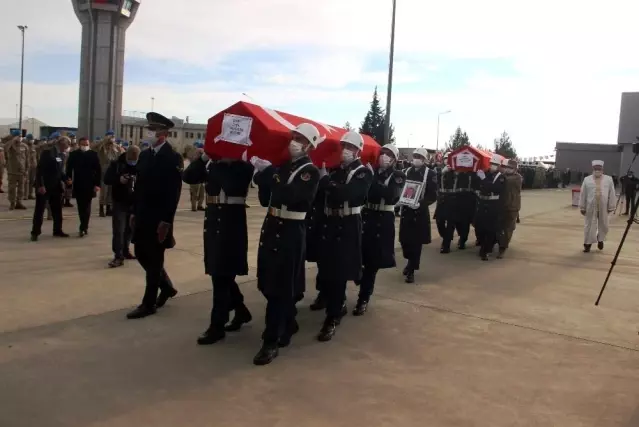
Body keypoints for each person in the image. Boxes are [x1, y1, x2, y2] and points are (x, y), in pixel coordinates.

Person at [251, 123, 322, 365]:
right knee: (269, 282)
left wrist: (270, 174)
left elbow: (291, 195)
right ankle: (289, 323)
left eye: (300, 139)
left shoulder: (310, 172)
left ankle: (271, 341)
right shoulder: (282, 168)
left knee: (279, 288)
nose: (294, 142)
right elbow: (266, 198)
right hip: (272, 228)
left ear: (310, 145)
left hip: (291, 232)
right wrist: (261, 175)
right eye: (294, 137)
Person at [183, 148, 254, 345]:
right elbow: (188, 177)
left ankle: (217, 325)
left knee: (222, 274)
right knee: (219, 271)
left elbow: (231, 184)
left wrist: (228, 160)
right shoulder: (212, 164)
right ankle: (240, 311)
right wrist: (205, 157)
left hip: (232, 221)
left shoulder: (243, 166)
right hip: (214, 219)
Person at [316, 131, 372, 341]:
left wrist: (325, 182)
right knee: (327, 268)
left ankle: (332, 316)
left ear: (358, 151)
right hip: (330, 223)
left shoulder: (363, 173)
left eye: (350, 147)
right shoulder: (335, 171)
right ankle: (333, 303)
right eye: (344, 146)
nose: (346, 150)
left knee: (339, 271)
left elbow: (348, 194)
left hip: (348, 224)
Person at [126, 112, 183, 320]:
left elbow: (173, 193)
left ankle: (148, 303)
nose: (150, 133)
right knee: (140, 253)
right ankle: (166, 287)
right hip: (141, 214)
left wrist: (166, 221)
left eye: (154, 129)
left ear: (165, 133)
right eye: (149, 129)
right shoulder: (145, 155)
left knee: (155, 259)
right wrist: (133, 211)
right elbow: (139, 186)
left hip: (159, 218)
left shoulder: (173, 157)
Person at [355, 144, 404, 315]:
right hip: (366, 216)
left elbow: (390, 195)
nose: (384, 156)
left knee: (372, 263)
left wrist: (371, 180)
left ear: (394, 159)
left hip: (382, 221)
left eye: (389, 154)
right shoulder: (370, 171)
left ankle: (363, 298)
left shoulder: (398, 176)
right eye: (382, 153)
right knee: (356, 257)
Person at [399, 147, 438, 283]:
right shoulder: (406, 171)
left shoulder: (430, 173)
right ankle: (409, 262)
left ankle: (411, 270)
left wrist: (420, 204)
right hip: (406, 211)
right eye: (415, 156)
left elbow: (433, 195)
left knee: (415, 243)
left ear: (424, 160)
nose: (416, 159)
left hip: (419, 212)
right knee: (404, 241)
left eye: (419, 157)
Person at [103, 145, 139, 266]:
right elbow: (107, 179)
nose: (133, 162)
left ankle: (125, 250)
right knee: (119, 229)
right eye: (131, 159)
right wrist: (119, 179)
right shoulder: (117, 164)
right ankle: (118, 255)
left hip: (134, 202)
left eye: (135, 160)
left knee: (129, 229)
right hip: (120, 201)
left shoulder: (141, 164)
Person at [30, 135, 71, 241]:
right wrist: (40, 185)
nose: (68, 147)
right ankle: (35, 232)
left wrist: (66, 179)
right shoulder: (47, 153)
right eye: (67, 144)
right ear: (61, 143)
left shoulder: (62, 155)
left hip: (56, 186)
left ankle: (57, 230)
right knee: (40, 210)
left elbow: (60, 171)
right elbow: (40, 171)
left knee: (57, 209)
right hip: (44, 186)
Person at [66, 137, 101, 237]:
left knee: (87, 206)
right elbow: (69, 169)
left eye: (86, 144)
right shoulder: (74, 155)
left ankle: (83, 227)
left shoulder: (93, 154)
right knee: (81, 206)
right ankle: (83, 225)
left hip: (90, 184)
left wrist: (97, 184)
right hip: (78, 183)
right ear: (79, 144)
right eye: (83, 144)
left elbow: (98, 170)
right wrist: (68, 180)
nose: (85, 146)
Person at [579, 160, 616, 252]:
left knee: (604, 225)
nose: (597, 170)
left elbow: (612, 193)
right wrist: (582, 207)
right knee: (589, 225)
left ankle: (601, 239)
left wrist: (611, 206)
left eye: (599, 168)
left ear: (602, 169)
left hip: (604, 207)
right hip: (590, 207)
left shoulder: (608, 179)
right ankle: (587, 244)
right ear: (593, 168)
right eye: (596, 168)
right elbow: (583, 194)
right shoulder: (587, 179)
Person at [474, 155, 506, 260]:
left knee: (490, 229)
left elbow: (495, 188)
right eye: (492, 163)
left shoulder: (501, 177)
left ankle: (486, 250)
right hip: (483, 203)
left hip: (493, 205)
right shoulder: (485, 173)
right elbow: (478, 186)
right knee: (479, 227)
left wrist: (483, 180)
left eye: (495, 164)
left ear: (499, 166)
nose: (493, 166)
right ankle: (484, 245)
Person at [496, 159, 522, 258]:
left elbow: (507, 182)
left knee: (508, 229)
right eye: (507, 167)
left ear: (515, 169)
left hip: (512, 207)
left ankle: (502, 248)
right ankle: (500, 243)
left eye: (510, 168)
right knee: (498, 228)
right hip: (502, 205)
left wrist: (500, 173)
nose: (508, 169)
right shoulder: (502, 176)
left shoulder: (517, 178)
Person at [95, 130, 120, 217]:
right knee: (104, 191)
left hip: (112, 171)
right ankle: (101, 209)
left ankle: (108, 209)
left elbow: (121, 152)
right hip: (104, 171)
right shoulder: (102, 146)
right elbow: (94, 147)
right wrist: (104, 140)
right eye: (110, 136)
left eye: (112, 137)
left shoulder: (115, 147)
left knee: (110, 191)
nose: (111, 139)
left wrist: (115, 144)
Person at [434, 153, 456, 253]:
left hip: (452, 199)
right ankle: (446, 237)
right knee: (439, 221)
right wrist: (442, 172)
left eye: (449, 159)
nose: (447, 160)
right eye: (446, 158)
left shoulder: (457, 171)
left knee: (451, 223)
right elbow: (434, 180)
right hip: (442, 199)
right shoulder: (439, 169)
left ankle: (446, 244)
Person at [4, 129, 28, 210]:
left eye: (21, 136)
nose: (20, 138)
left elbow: (27, 159)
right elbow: (6, 149)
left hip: (22, 171)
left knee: (21, 188)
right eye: (18, 136)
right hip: (12, 170)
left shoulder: (24, 146)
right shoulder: (9, 145)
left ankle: (19, 202)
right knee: (12, 188)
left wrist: (27, 169)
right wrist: (12, 140)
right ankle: (12, 203)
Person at [188, 142, 206, 212]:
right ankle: (195, 206)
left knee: (199, 193)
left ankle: (198, 206)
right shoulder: (195, 157)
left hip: (199, 177)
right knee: (196, 193)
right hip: (195, 177)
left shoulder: (200, 157)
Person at [23, 134, 37, 200]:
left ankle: (30, 194)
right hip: (27, 166)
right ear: (27, 139)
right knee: (26, 181)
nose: (32, 140)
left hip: (33, 166)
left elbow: (35, 157)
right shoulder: (24, 146)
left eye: (32, 139)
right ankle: (25, 195)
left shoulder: (34, 147)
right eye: (30, 139)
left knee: (32, 181)